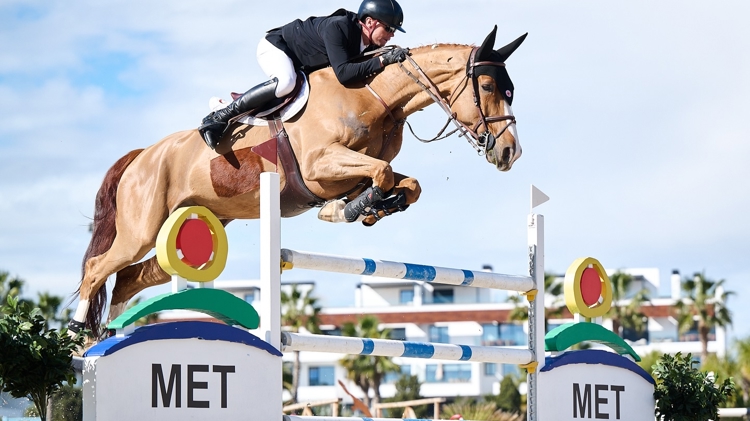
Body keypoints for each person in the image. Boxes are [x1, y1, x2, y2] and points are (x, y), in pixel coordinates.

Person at [199, 0, 410, 150]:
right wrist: (383, 60)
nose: (391, 35)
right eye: (389, 28)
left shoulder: (365, 43)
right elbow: (345, 74)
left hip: (301, 64)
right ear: (371, 22)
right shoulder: (340, 27)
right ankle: (219, 116)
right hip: (277, 47)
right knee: (285, 83)